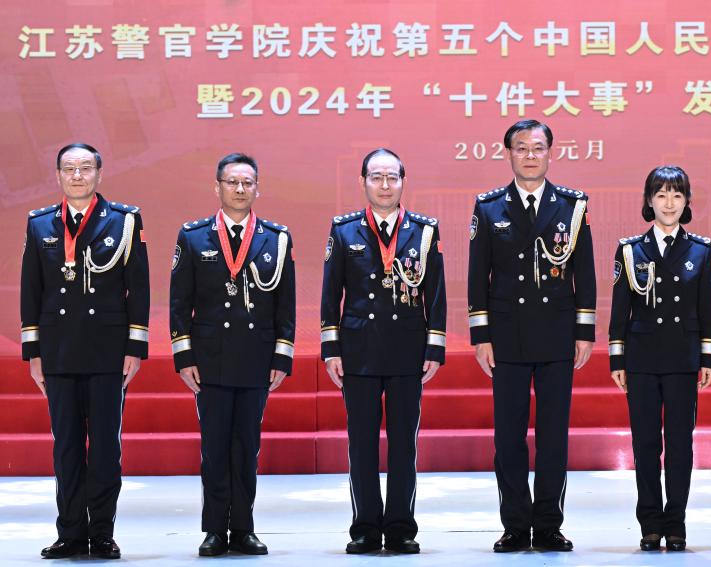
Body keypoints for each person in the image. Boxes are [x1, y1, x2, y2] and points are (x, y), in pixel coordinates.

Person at [467, 119, 596, 552]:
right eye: (521, 148)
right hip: (507, 336)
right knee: (508, 438)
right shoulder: (489, 207)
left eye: (537, 148)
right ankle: (515, 525)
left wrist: (584, 332)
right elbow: (478, 275)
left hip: (557, 333)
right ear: (509, 153)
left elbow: (584, 272)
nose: (529, 155)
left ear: (549, 153)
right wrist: (481, 335)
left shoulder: (572, 206)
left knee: (553, 436)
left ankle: (549, 524)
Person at [21, 143, 150, 560]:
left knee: (106, 449)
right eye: (69, 169)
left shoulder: (125, 221)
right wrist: (33, 353)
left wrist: (135, 346)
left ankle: (103, 533)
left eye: (85, 168)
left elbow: (139, 288)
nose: (77, 176)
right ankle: (71, 533)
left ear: (99, 173)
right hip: (58, 350)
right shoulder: (40, 223)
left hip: (108, 351)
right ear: (58, 175)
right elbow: (31, 291)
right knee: (67, 447)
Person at [320, 148, 446, 555]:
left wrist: (434, 346)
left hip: (408, 350)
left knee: (403, 444)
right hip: (359, 351)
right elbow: (330, 295)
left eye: (392, 177)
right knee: (361, 444)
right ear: (363, 182)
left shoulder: (424, 231)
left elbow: (436, 294)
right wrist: (331, 349)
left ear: (403, 181)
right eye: (377, 177)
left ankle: (401, 527)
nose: (385, 184)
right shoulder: (344, 230)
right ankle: (364, 528)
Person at [169, 153, 295, 556]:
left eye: (247, 183)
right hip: (210, 360)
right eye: (232, 182)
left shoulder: (276, 238)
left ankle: (243, 528)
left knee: (246, 447)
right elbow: (179, 303)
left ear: (258, 188)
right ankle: (213, 530)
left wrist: (282, 357)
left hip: (256, 358)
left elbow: (285, 305)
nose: (240, 189)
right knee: (214, 447)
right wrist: (184, 356)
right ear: (218, 187)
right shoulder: (193, 236)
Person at [608, 166, 711, 552]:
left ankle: (676, 522)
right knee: (646, 444)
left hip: (683, 359)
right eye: (661, 194)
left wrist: (707, 358)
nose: (669, 203)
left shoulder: (701, 250)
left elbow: (706, 310)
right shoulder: (630, 250)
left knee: (680, 444)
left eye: (677, 195)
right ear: (649, 201)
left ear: (687, 202)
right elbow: (620, 310)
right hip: (641, 359)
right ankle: (650, 523)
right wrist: (617, 359)